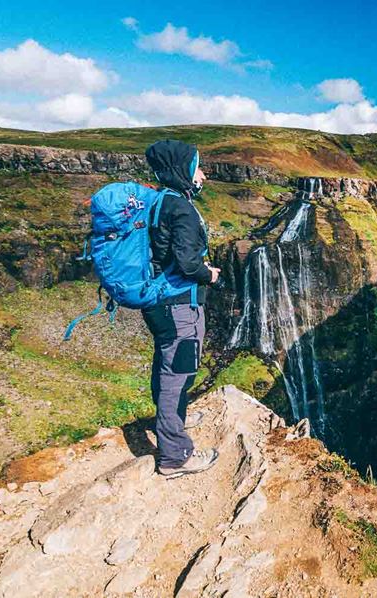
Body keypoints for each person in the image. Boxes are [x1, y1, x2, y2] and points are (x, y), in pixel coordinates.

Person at [142, 139, 221, 478]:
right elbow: (188, 264)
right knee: (180, 370)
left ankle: (173, 420)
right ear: (183, 170)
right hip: (179, 306)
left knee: (166, 364)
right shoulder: (183, 209)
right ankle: (175, 455)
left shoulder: (160, 201)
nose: (202, 175)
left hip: (158, 303)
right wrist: (210, 274)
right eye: (197, 167)